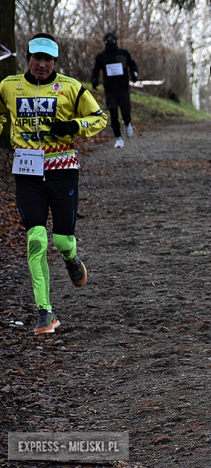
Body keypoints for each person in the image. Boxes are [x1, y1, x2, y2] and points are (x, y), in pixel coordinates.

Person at [0, 33, 107, 334]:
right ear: (29, 58)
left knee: (61, 241)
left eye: (48, 59)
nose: (42, 65)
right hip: (27, 172)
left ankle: (72, 259)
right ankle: (45, 312)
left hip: (62, 171)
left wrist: (74, 125)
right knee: (36, 240)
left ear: (54, 61)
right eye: (37, 58)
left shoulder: (71, 88)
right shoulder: (8, 87)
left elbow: (99, 118)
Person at [91, 31, 138, 148]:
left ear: (116, 41)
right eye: (107, 41)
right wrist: (94, 80)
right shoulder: (101, 57)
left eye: (112, 40)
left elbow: (132, 64)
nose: (110, 42)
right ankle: (118, 138)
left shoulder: (123, 53)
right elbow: (95, 70)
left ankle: (127, 123)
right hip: (110, 90)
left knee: (126, 112)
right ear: (104, 43)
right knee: (113, 113)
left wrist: (134, 74)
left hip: (123, 88)